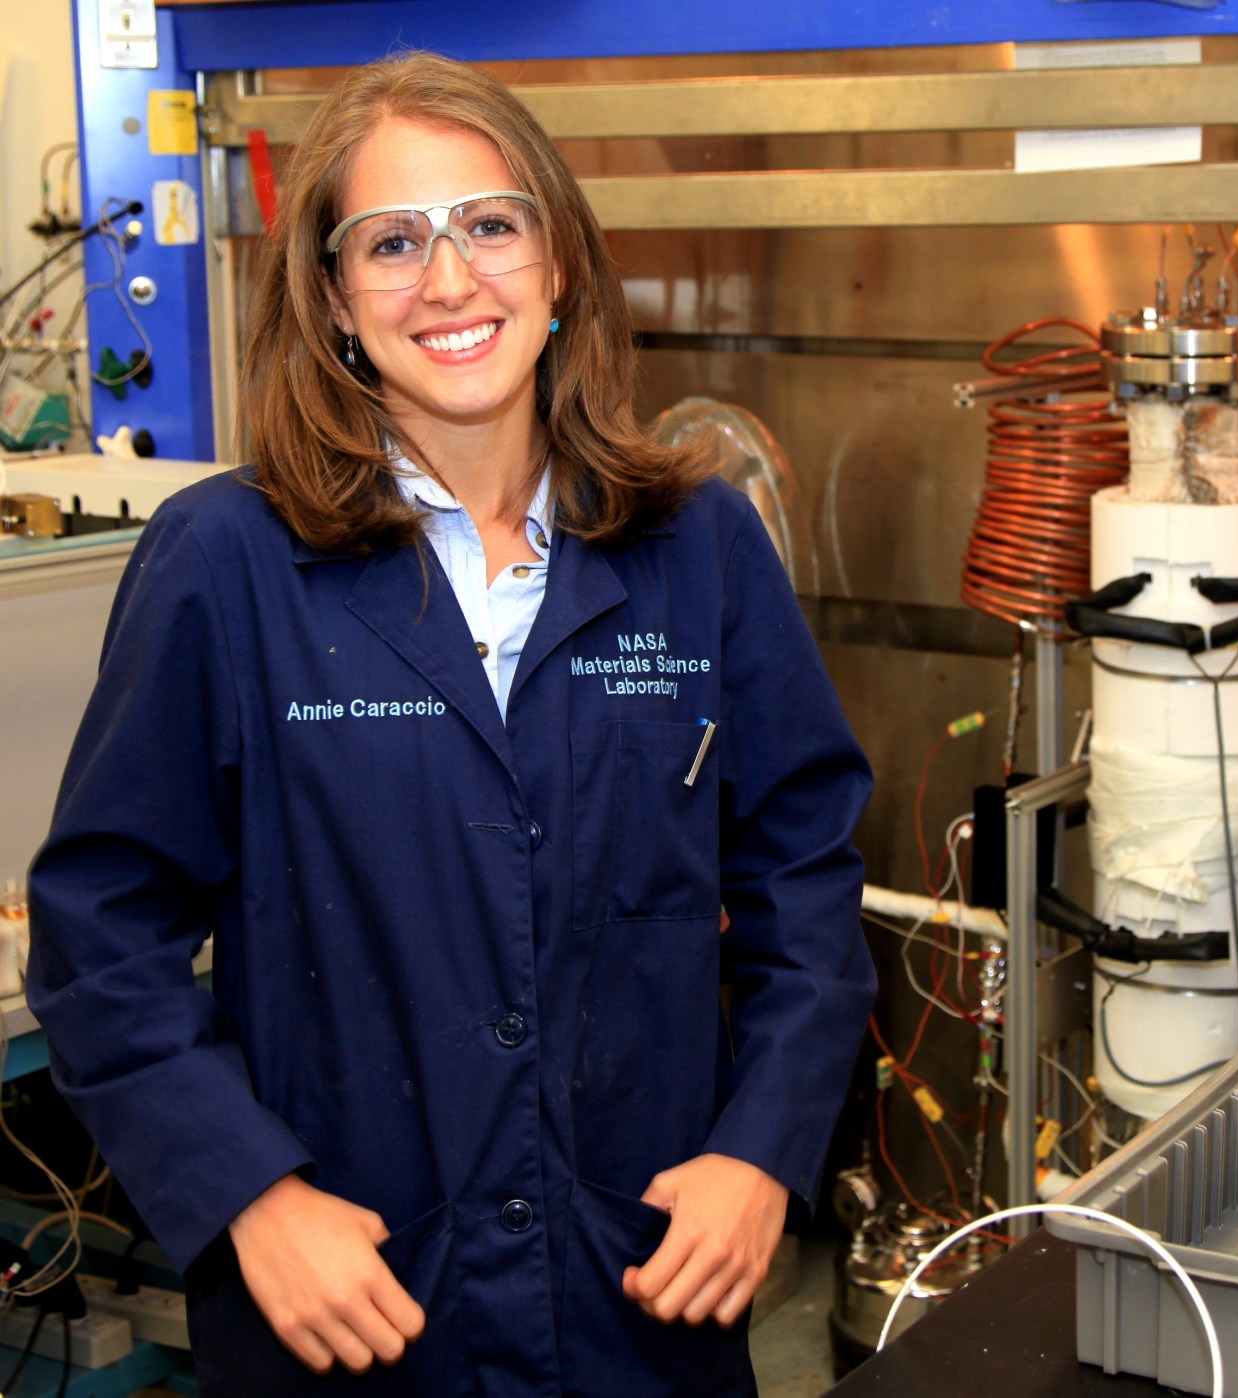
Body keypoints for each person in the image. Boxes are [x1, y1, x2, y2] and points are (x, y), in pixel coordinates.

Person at [27, 53, 875, 1395]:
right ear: (333, 302)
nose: (450, 277)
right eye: (392, 239)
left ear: (562, 267)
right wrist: (249, 1194)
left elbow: (805, 879)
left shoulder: (696, 547)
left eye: (491, 222)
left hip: (640, 1296)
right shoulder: (223, 565)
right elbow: (99, 934)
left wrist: (764, 1147)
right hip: (362, 1310)